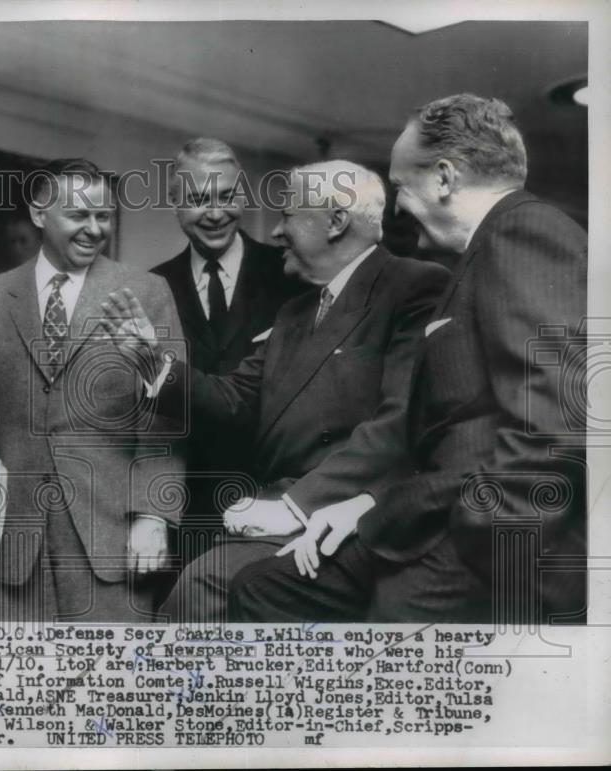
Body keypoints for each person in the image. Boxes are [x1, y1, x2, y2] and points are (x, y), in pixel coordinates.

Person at [232, 94, 587, 623]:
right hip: (427, 517)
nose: (395, 207)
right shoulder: (479, 253)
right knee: (267, 586)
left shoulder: (522, 232)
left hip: (483, 550)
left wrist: (467, 542)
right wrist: (366, 506)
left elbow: (554, 431)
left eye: (399, 186)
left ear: (444, 178)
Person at [103, 161, 450, 621]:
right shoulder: (294, 313)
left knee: (203, 592)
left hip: (347, 516)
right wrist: (151, 362)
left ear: (335, 221)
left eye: (287, 216)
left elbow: (399, 421)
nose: (276, 232)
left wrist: (296, 506)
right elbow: (233, 404)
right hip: (272, 514)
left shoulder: (415, 287)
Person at [0, 158, 185, 623]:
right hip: (14, 547)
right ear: (39, 214)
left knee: (111, 687)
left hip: (113, 542)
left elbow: (167, 419)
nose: (94, 229)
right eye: (78, 215)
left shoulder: (147, 292)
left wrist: (154, 515)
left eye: (103, 216)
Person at [150, 138, 308, 567]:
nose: (217, 213)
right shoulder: (152, 287)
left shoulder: (293, 275)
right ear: (175, 203)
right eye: (200, 199)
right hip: (185, 513)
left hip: (277, 506)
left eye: (228, 196)